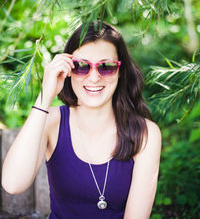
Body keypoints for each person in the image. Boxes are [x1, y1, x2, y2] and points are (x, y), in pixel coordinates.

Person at [2, 21, 161, 219]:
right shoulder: (52, 121)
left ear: (120, 71)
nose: (94, 78)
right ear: (67, 70)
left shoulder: (146, 134)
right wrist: (45, 96)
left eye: (106, 67)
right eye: (81, 66)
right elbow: (13, 184)